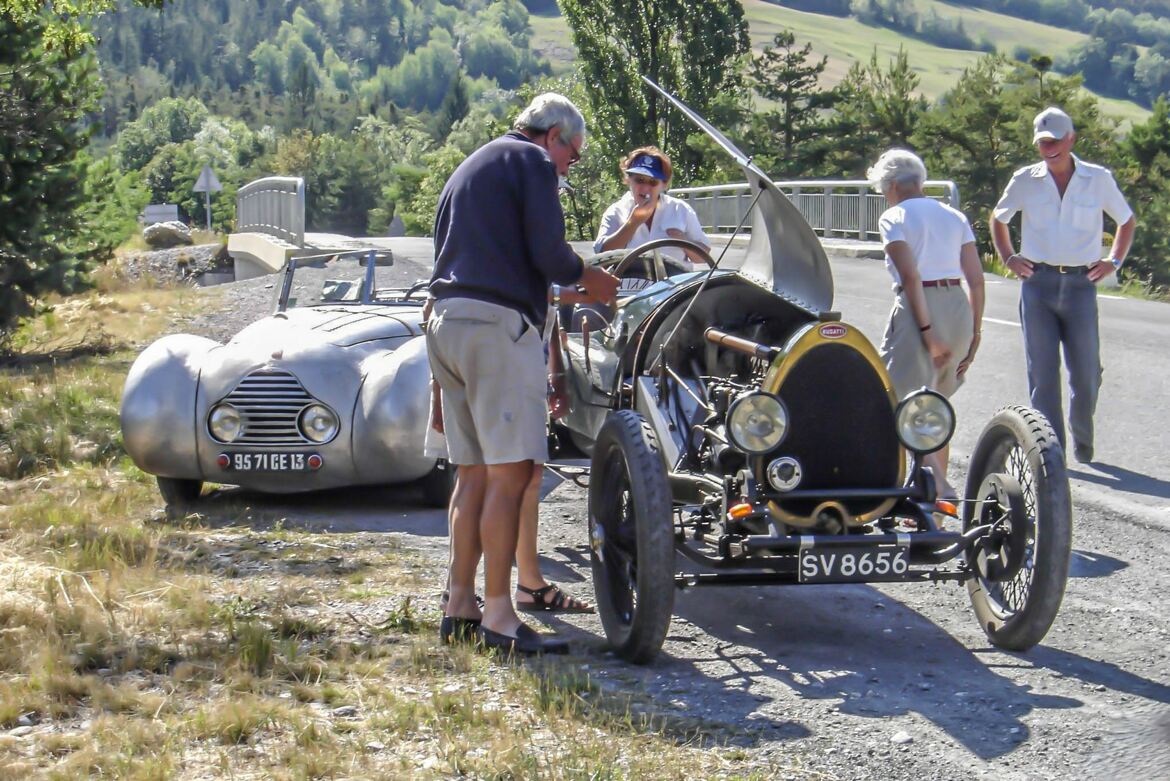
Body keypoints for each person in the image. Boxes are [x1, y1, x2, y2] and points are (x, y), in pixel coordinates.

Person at [425, 93, 618, 655]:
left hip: (447, 324)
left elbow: (474, 258)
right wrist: (590, 276)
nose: (567, 168)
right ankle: (502, 616)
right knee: (512, 475)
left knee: (473, 474)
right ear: (553, 135)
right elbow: (549, 252)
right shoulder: (531, 162)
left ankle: (460, 605)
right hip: (496, 329)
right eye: (573, 156)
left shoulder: (470, 167)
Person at [991, 107, 1136, 464]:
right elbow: (999, 217)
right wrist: (1009, 257)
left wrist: (1113, 261)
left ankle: (1082, 434)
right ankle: (1050, 453)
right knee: (1042, 373)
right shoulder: (1025, 179)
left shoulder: (1097, 178)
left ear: (1071, 139)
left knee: (1086, 373)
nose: (1048, 148)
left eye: (1055, 141)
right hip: (1037, 285)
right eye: (1042, 142)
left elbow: (1126, 220)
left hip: (1080, 284)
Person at [867, 149, 985, 501]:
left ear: (890, 186)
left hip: (921, 309)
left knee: (899, 401)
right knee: (936, 406)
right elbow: (976, 280)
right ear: (920, 181)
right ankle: (935, 501)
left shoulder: (894, 217)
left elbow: (911, 276)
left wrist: (927, 334)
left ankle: (939, 488)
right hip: (958, 306)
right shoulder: (954, 216)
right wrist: (975, 333)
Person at [594, 146, 711, 272]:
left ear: (664, 184)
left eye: (653, 182)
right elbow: (602, 255)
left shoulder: (680, 209)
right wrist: (633, 223)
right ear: (628, 179)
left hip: (675, 288)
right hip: (629, 287)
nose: (645, 188)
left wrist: (681, 239)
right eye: (639, 180)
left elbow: (702, 257)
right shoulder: (616, 211)